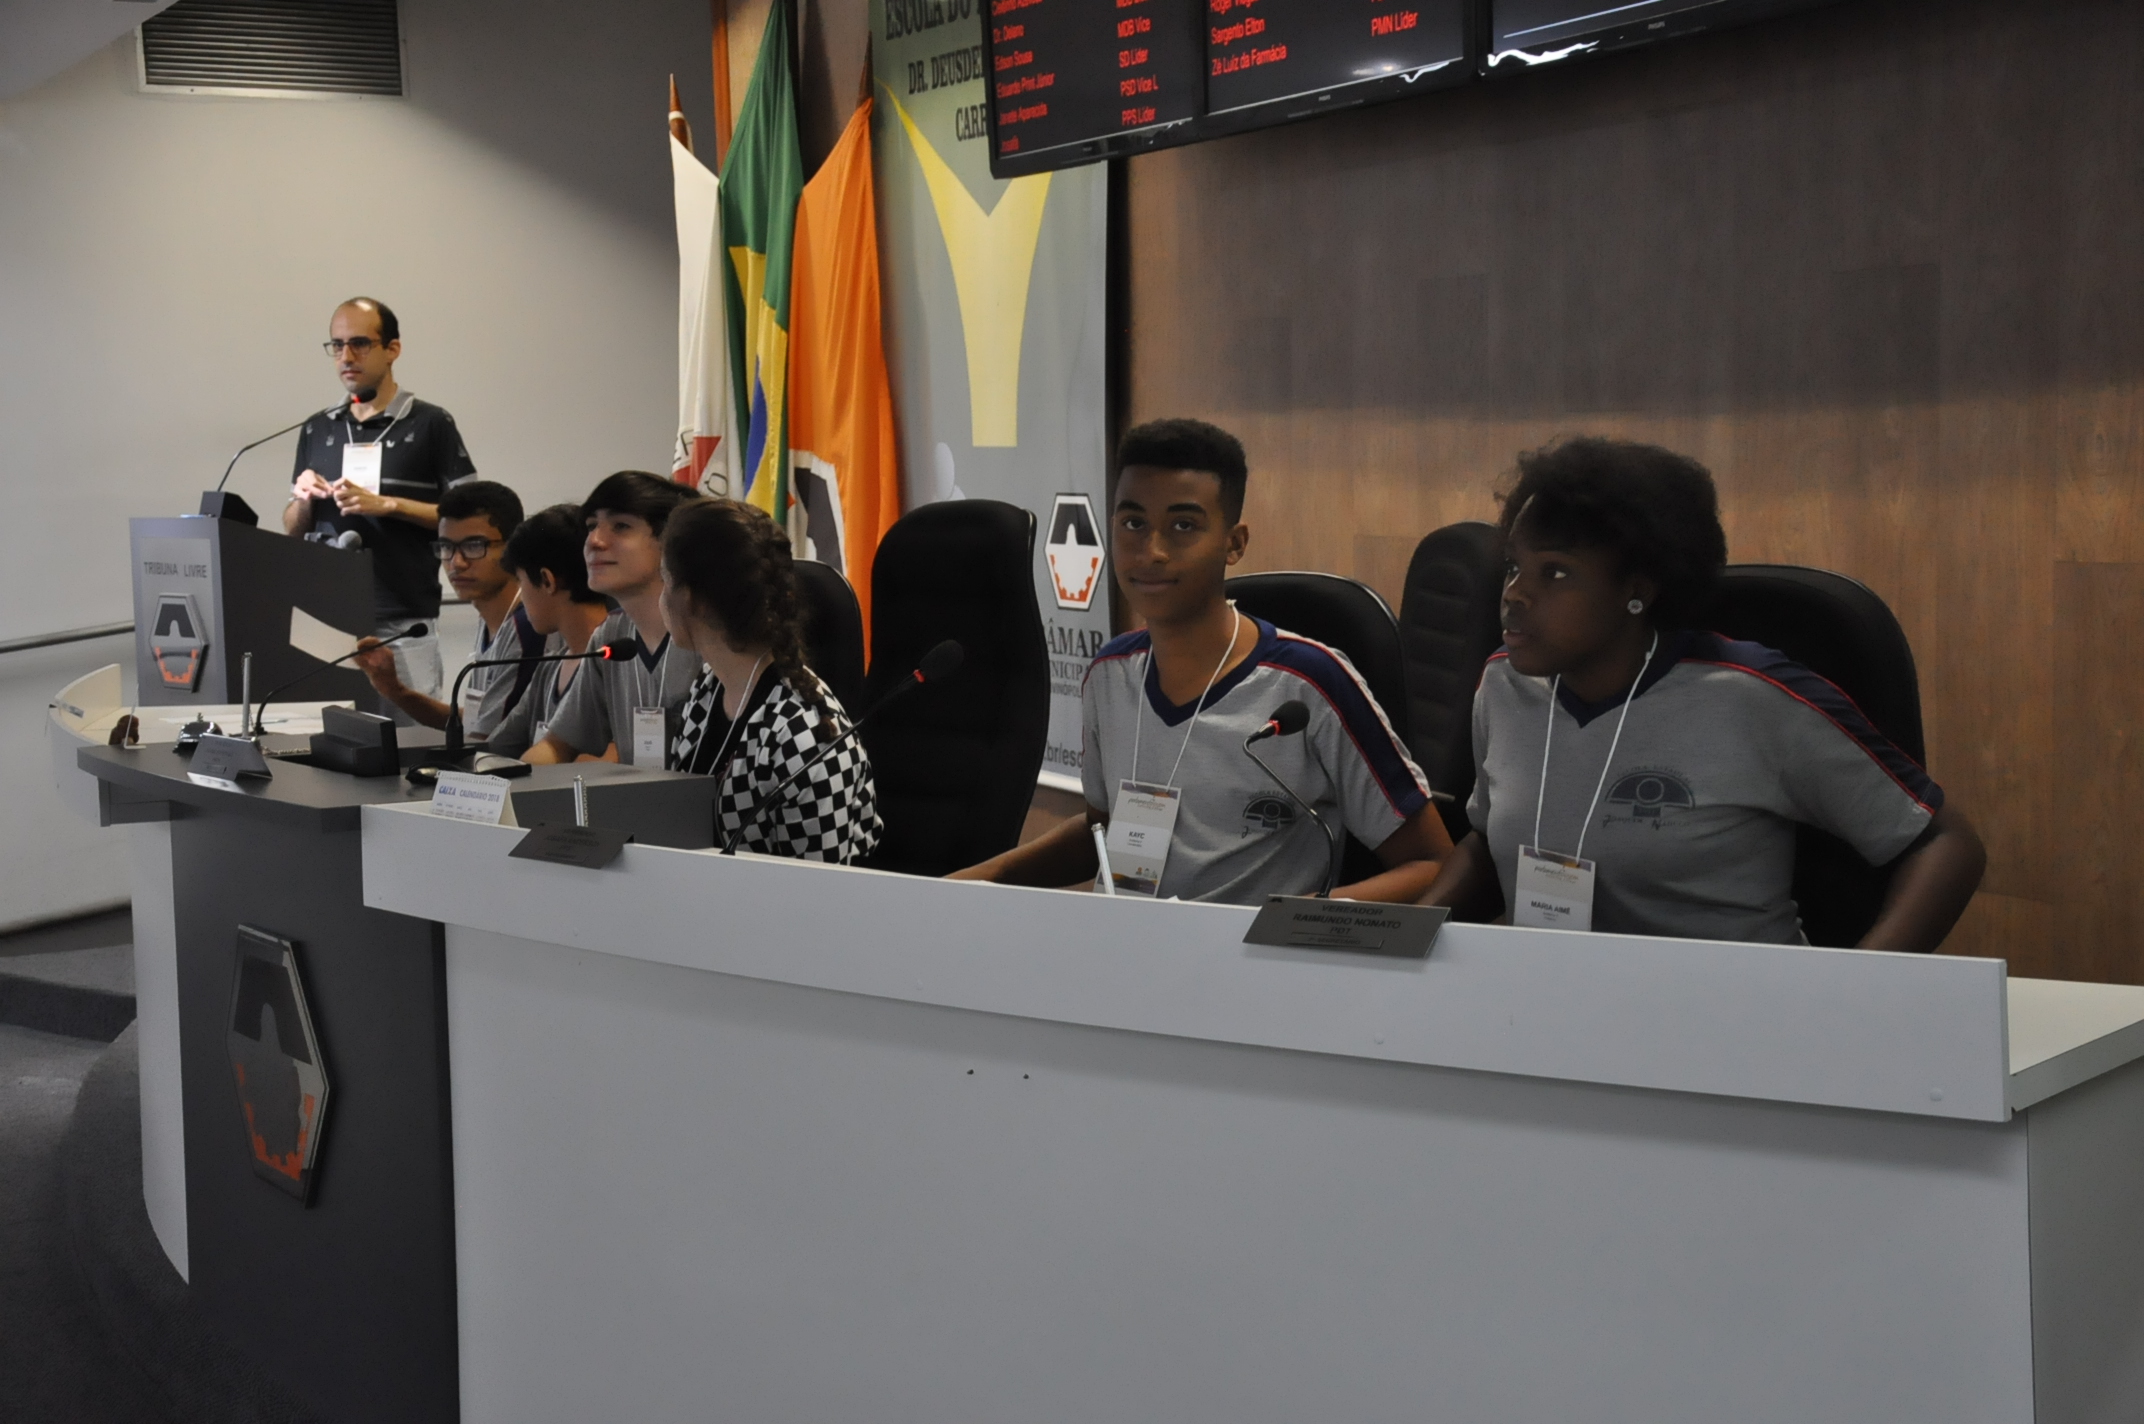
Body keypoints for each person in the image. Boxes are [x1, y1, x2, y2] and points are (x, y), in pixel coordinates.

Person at [1419, 436, 1985, 949]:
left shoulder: (1750, 698)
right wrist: (1405, 939)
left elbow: (1945, 843)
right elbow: (1491, 843)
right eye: (1513, 567)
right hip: (1559, 1004)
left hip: (1736, 1011)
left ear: (1637, 591)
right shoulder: (1504, 685)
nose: (1515, 594)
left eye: (1556, 573)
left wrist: (1855, 993)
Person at [952, 418, 1450, 904]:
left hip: (1254, 952)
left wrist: (1297, 925)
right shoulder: (1108, 674)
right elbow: (1100, 833)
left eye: (1183, 526)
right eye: (1133, 523)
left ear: (1234, 543)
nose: (1152, 551)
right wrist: (975, 881)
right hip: (1126, 946)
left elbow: (1431, 862)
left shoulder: (1309, 684)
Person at [661, 500, 882, 863]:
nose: (661, 597)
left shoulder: (805, 733)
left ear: (690, 599)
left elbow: (819, 886)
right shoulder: (708, 687)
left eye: (665, 581)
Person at [284, 297, 477, 699]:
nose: (346, 356)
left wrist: (390, 504)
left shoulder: (430, 423)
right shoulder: (317, 428)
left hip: (401, 618)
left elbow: (472, 517)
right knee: (324, 732)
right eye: (337, 345)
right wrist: (304, 500)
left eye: (360, 343)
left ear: (392, 349)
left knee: (412, 730)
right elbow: (292, 529)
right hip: (325, 616)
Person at [525, 472, 704, 766]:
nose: (594, 541)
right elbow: (557, 745)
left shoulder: (711, 629)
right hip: (640, 795)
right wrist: (497, 786)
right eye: (591, 526)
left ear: (670, 540)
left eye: (621, 526)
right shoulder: (611, 634)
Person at [352, 481, 538, 737]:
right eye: (446, 547)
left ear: (513, 546)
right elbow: (473, 723)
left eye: (474, 546)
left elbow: (487, 740)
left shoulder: (528, 627)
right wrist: (395, 690)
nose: (456, 563)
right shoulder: (490, 619)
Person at [484, 504, 616, 758]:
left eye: (521, 582)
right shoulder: (549, 668)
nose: (521, 598)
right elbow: (497, 748)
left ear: (547, 580)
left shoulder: (617, 663)